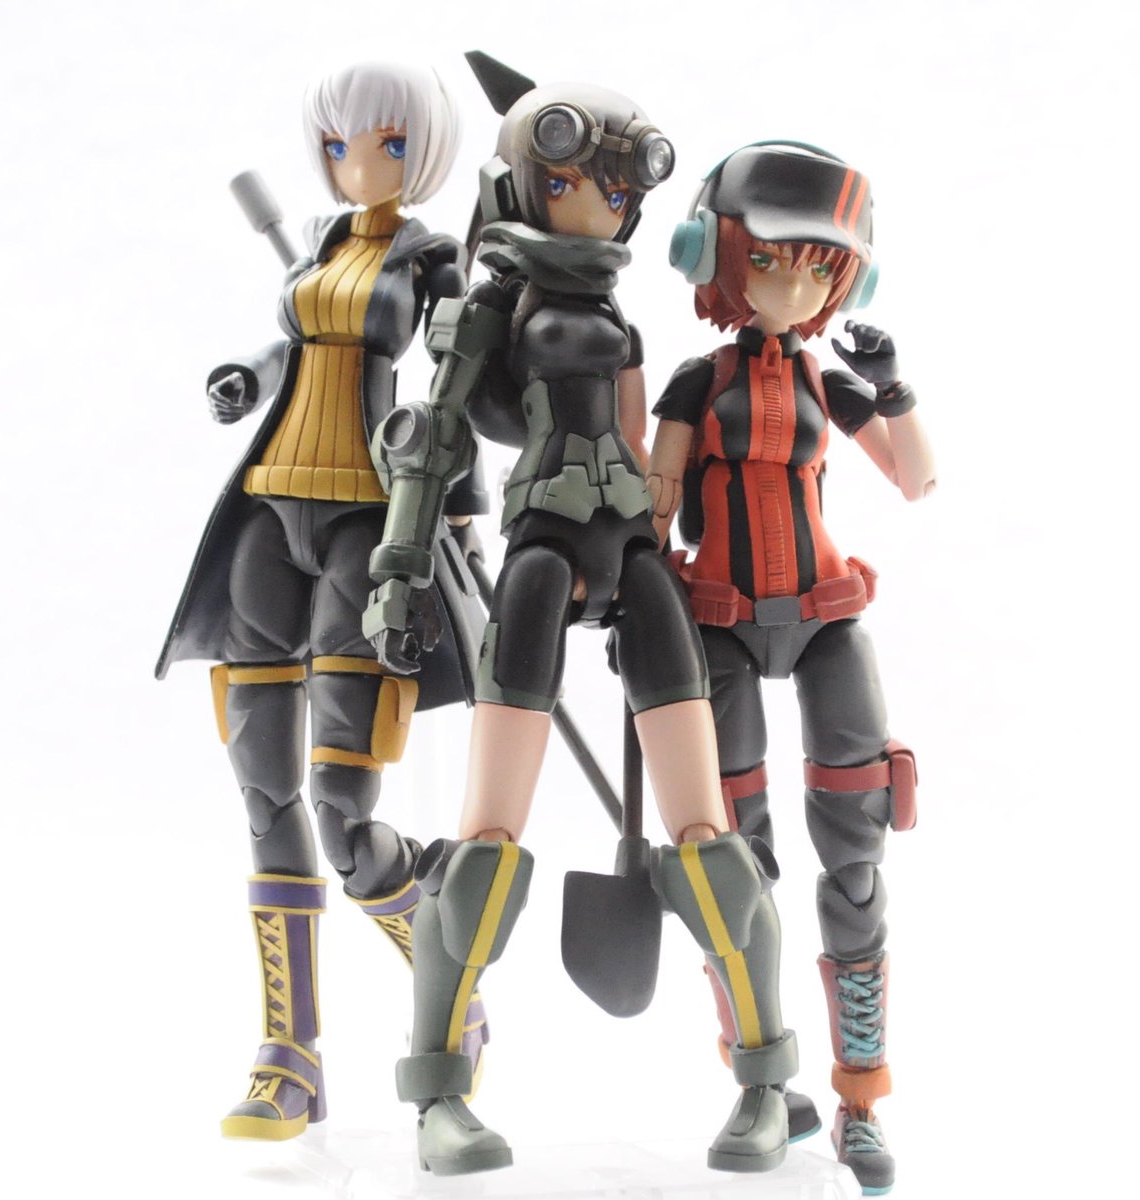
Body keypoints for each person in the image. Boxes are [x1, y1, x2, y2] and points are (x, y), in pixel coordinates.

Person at [364, 53, 801, 1177]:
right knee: (484, 841)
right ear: (523, 180)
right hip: (542, 549)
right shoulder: (486, 307)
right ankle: (439, 1096)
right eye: (570, 181)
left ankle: (765, 1081)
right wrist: (399, 566)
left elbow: (653, 445)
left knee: (710, 842)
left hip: (636, 551)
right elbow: (432, 442)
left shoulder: (614, 305)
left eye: (617, 187)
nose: (596, 205)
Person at [156, 61, 489, 1141]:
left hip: (368, 523)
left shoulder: (434, 261)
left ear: (420, 151)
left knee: (345, 814)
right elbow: (294, 346)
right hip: (269, 511)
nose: (359, 163)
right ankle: (287, 1054)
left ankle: (447, 978)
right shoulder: (314, 244)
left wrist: (466, 514)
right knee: (265, 792)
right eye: (341, 144)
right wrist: (247, 376)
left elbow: (457, 388)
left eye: (386, 144)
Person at [651, 141, 935, 1195]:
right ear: (715, 256)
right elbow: (655, 497)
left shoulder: (829, 382)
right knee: (736, 860)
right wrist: (628, 588)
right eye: (769, 260)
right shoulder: (697, 381)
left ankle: (861, 1097)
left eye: (820, 267)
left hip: (824, 618)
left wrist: (893, 388)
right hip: (719, 621)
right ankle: (759, 1074)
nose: (793, 285)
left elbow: (918, 479)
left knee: (856, 850)